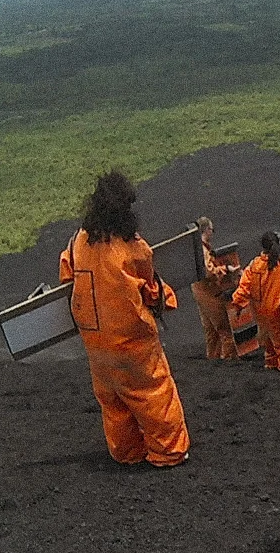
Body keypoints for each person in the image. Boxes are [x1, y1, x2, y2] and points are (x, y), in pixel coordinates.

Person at [58, 171, 190, 467]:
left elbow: (67, 276)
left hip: (95, 342)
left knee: (114, 401)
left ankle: (127, 452)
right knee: (153, 393)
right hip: (131, 340)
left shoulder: (78, 241)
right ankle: (167, 452)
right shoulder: (133, 247)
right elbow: (150, 286)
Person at [231, 231, 280, 373]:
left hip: (261, 316)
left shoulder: (254, 266)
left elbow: (244, 288)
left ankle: (271, 367)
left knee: (269, 344)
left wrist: (236, 304)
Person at [190, 217, 238, 359]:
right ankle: (230, 358)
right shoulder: (203, 251)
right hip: (209, 293)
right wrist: (226, 269)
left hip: (199, 292)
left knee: (211, 330)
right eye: (212, 230)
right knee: (224, 329)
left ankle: (213, 358)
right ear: (207, 230)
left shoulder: (195, 248)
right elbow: (209, 272)